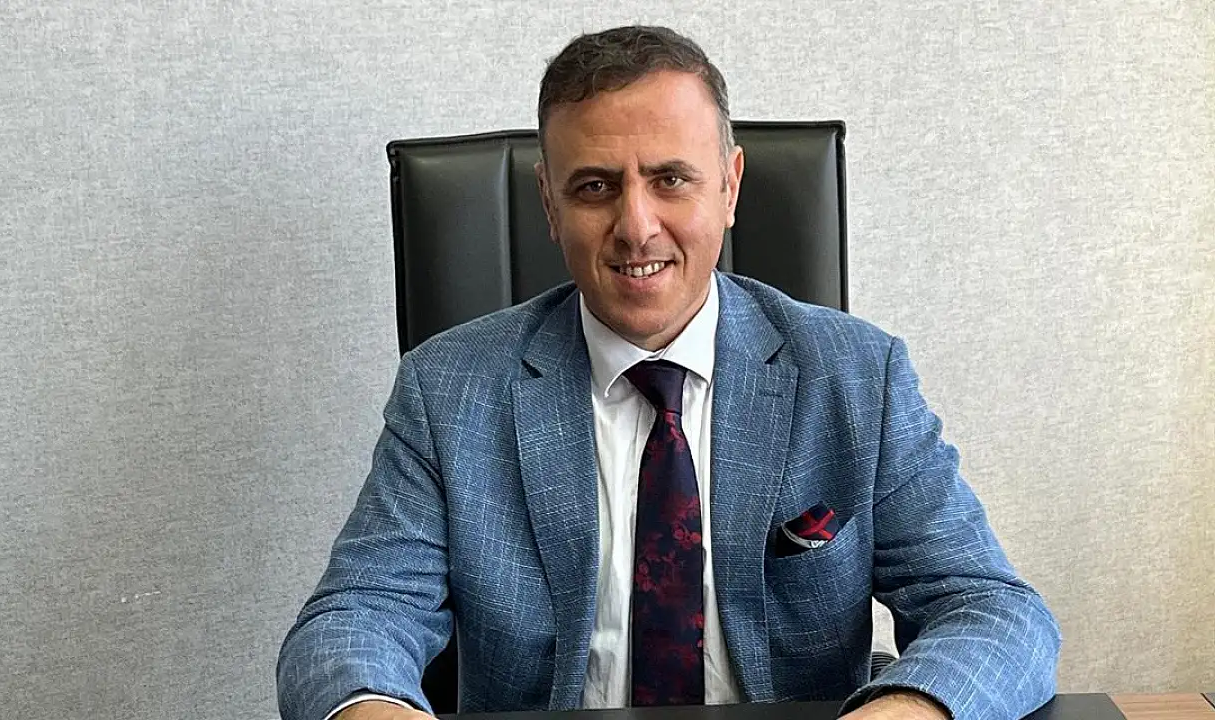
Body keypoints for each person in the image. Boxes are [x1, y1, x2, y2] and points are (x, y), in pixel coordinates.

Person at [277, 25, 1060, 720]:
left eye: (671, 179)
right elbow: (353, 618)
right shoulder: (447, 391)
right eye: (595, 187)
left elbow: (993, 610)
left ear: (730, 186)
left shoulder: (858, 378)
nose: (636, 226)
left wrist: (907, 711)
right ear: (548, 203)